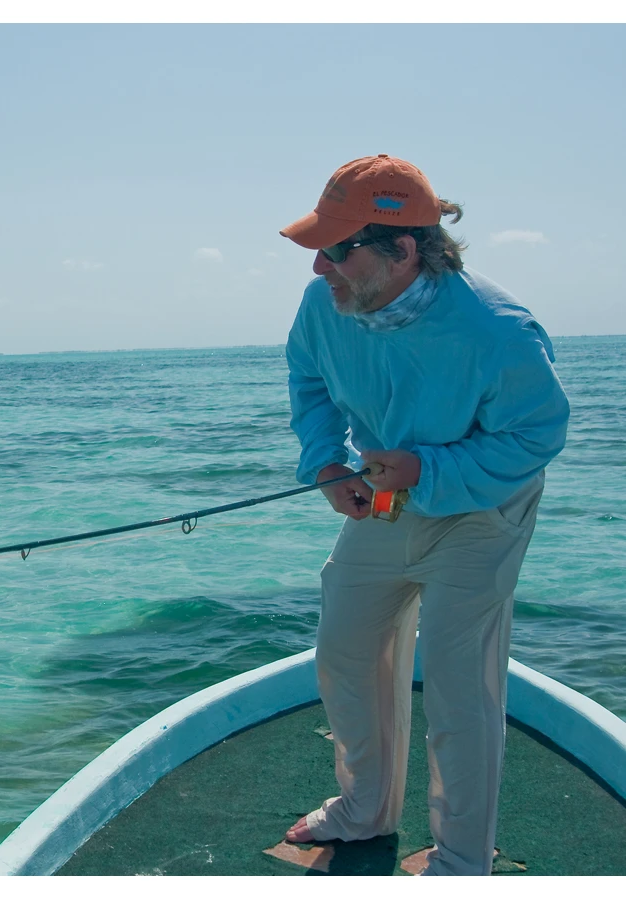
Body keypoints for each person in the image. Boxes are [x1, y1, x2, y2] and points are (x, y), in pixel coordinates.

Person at [279, 154, 570, 876]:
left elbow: (536, 436)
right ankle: (363, 810)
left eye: (338, 251)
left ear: (403, 249)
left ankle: (463, 860)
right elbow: (308, 378)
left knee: (457, 682)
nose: (321, 268)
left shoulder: (499, 330)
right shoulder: (328, 304)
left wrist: (428, 471)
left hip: (481, 511)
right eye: (320, 249)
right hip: (382, 500)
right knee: (344, 651)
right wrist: (325, 462)